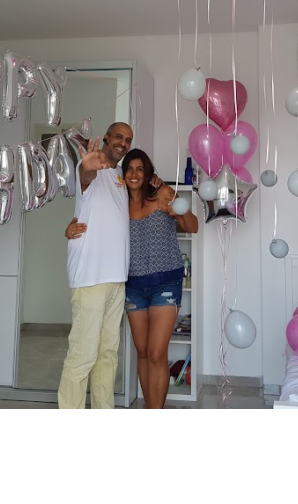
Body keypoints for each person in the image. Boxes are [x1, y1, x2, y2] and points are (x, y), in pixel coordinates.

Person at [66, 148, 198, 409]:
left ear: (148, 173)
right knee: (143, 352)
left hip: (165, 282)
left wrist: (178, 213)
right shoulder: (118, 203)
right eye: (130, 169)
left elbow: (192, 226)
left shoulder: (163, 194)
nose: (134, 174)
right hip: (134, 285)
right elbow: (91, 221)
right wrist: (69, 229)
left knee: (157, 352)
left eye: (140, 169)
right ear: (122, 174)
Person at [57, 121, 133, 409]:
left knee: (107, 355)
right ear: (107, 138)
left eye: (128, 139)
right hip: (90, 279)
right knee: (83, 354)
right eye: (118, 137)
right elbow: (85, 176)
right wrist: (87, 166)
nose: (123, 143)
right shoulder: (90, 170)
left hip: (116, 279)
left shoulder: (120, 177)